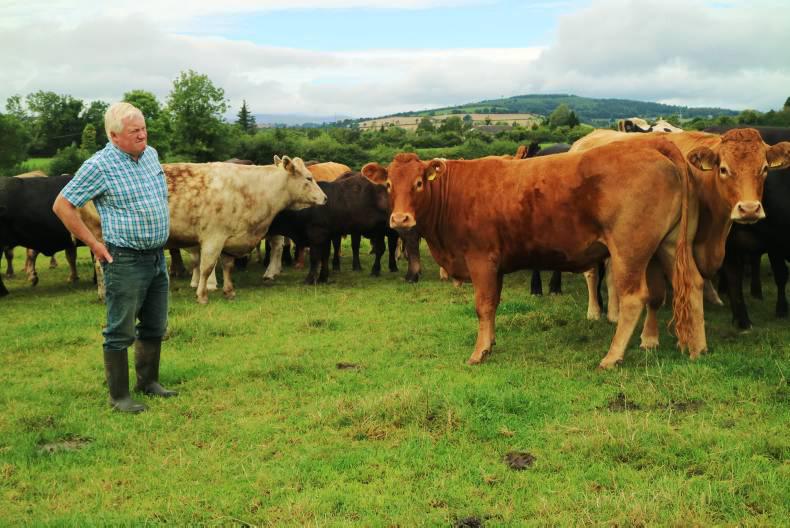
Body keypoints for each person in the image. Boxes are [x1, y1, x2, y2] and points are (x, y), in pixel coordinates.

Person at [53, 102, 176, 413]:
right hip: (124, 258)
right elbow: (63, 205)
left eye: (144, 128)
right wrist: (94, 244)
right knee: (120, 329)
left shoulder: (151, 155)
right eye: (134, 131)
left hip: (156, 257)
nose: (142, 135)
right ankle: (119, 397)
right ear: (114, 135)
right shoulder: (99, 166)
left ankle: (148, 382)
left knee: (154, 323)